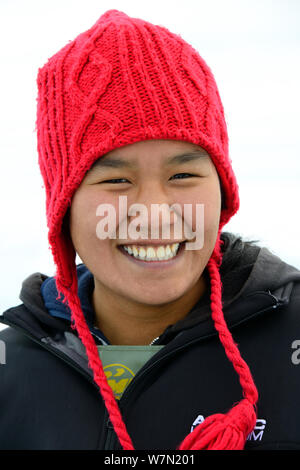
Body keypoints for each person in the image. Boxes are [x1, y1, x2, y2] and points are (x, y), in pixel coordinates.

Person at [0, 9, 300, 451]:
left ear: (222, 189)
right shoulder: (12, 368)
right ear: (63, 206)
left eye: (182, 177)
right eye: (115, 180)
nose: (154, 213)